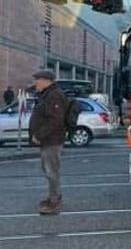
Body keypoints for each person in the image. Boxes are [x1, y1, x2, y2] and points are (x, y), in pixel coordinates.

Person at [28, 70, 69, 215]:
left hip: (52, 139)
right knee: (48, 169)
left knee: (52, 170)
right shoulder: (48, 94)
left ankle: (54, 201)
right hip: (48, 139)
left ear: (46, 81)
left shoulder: (54, 95)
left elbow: (55, 120)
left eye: (37, 80)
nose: (35, 83)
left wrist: (39, 134)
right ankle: (54, 196)